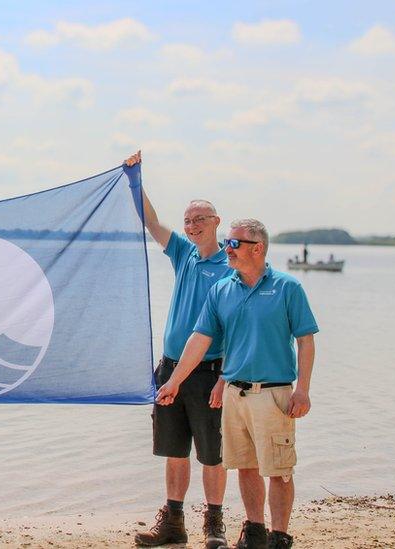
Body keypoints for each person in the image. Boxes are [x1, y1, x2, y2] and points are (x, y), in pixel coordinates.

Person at [156, 219, 318, 549]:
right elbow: (199, 340)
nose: (226, 249)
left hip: (274, 394)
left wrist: (303, 389)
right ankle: (255, 531)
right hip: (234, 393)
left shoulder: (288, 288)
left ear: (257, 248)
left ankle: (280, 536)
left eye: (233, 244)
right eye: (227, 242)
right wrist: (174, 380)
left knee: (279, 471)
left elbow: (305, 341)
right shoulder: (222, 289)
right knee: (245, 467)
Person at [126, 151, 233, 549]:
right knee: (174, 452)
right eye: (188, 220)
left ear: (216, 223)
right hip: (170, 369)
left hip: (208, 373)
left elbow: (237, 329)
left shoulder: (230, 267)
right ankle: (173, 523)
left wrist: (226, 378)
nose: (192, 226)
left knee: (212, 455)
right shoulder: (184, 253)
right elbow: (151, 222)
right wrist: (136, 180)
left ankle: (215, 526)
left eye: (200, 220)